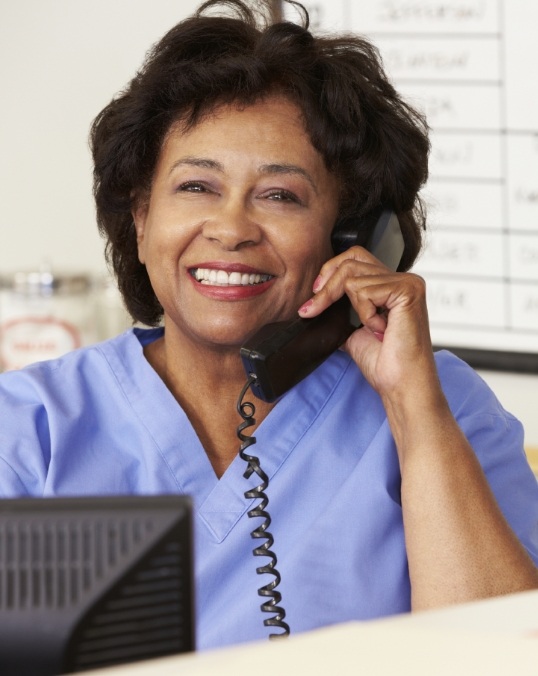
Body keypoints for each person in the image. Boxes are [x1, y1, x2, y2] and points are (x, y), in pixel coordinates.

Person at [1, 0, 537, 651]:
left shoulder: (442, 406)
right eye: (196, 186)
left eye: (280, 195)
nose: (230, 229)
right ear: (140, 219)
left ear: (352, 239)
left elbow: (498, 654)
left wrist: (412, 411)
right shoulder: (28, 431)